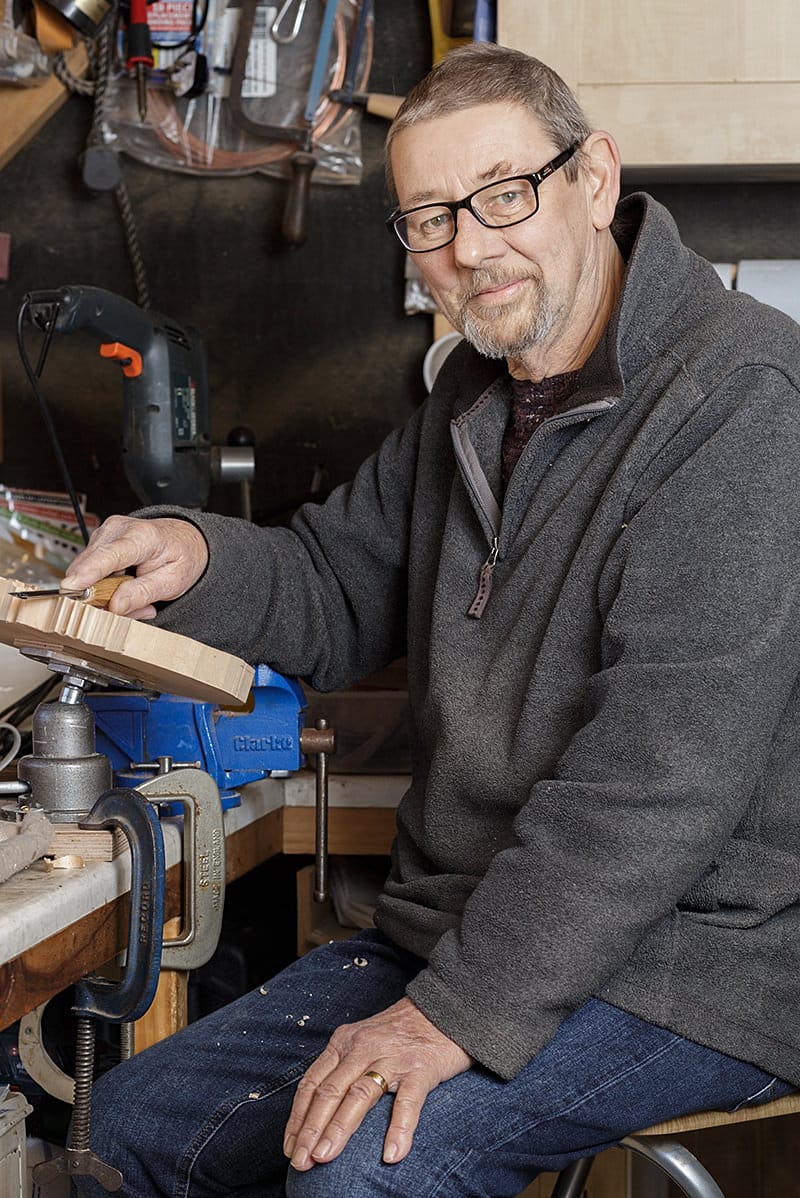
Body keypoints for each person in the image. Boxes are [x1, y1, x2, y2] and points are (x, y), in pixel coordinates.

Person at [70, 41, 800, 1198]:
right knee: (128, 1125)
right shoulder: (472, 397)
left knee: (354, 1175)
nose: (469, 246)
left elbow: (653, 785)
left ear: (593, 179)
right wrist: (195, 549)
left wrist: (445, 1016)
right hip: (462, 926)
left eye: (501, 194)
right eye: (427, 218)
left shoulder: (742, 403)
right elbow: (333, 583)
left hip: (685, 954)